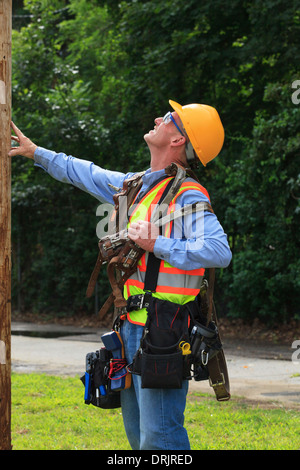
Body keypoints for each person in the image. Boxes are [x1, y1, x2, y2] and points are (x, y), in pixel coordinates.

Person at [9, 100, 232, 450]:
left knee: (160, 437)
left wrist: (158, 243)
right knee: (138, 435)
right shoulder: (137, 186)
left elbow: (220, 252)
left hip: (163, 331)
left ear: (178, 140)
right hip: (128, 326)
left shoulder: (187, 194)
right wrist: (36, 152)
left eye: (169, 118)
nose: (159, 118)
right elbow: (85, 172)